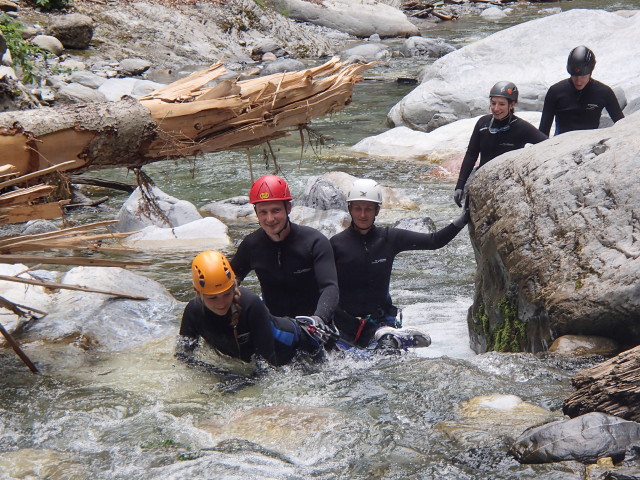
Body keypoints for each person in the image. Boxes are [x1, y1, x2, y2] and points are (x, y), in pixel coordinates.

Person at [330, 179, 470, 349]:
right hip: (345, 326)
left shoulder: (389, 238)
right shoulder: (336, 244)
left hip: (379, 323)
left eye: (368, 209)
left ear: (377, 210)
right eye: (358, 208)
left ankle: (394, 337)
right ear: (349, 209)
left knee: (386, 351)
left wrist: (460, 221)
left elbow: (434, 241)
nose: (362, 215)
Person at [177, 250, 330, 368]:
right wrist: (219, 374)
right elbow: (183, 357)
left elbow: (267, 366)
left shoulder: (251, 305)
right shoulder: (193, 312)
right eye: (213, 298)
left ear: (234, 287)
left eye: (226, 294)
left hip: (302, 348)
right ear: (199, 294)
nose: (221, 303)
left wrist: (239, 382)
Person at [230, 174, 339, 329]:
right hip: (275, 328)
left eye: (276, 210)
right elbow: (228, 284)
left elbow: (330, 287)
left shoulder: (315, 242)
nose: (270, 219)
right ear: (256, 212)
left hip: (313, 327)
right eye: (263, 212)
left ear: (288, 207)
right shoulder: (251, 245)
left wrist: (319, 318)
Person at [453, 81, 548, 207]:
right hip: (481, 182)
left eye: (501, 104)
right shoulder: (483, 124)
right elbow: (471, 154)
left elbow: (547, 145)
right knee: (463, 220)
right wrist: (460, 185)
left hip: (507, 186)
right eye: (493, 103)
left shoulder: (521, 127)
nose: (496, 109)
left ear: (512, 104)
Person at [539, 45, 624, 137]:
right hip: (561, 145)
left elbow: (622, 125)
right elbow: (543, 131)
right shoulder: (556, 91)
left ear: (591, 71)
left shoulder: (604, 92)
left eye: (583, 76)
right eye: (574, 76)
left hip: (591, 144)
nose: (578, 81)